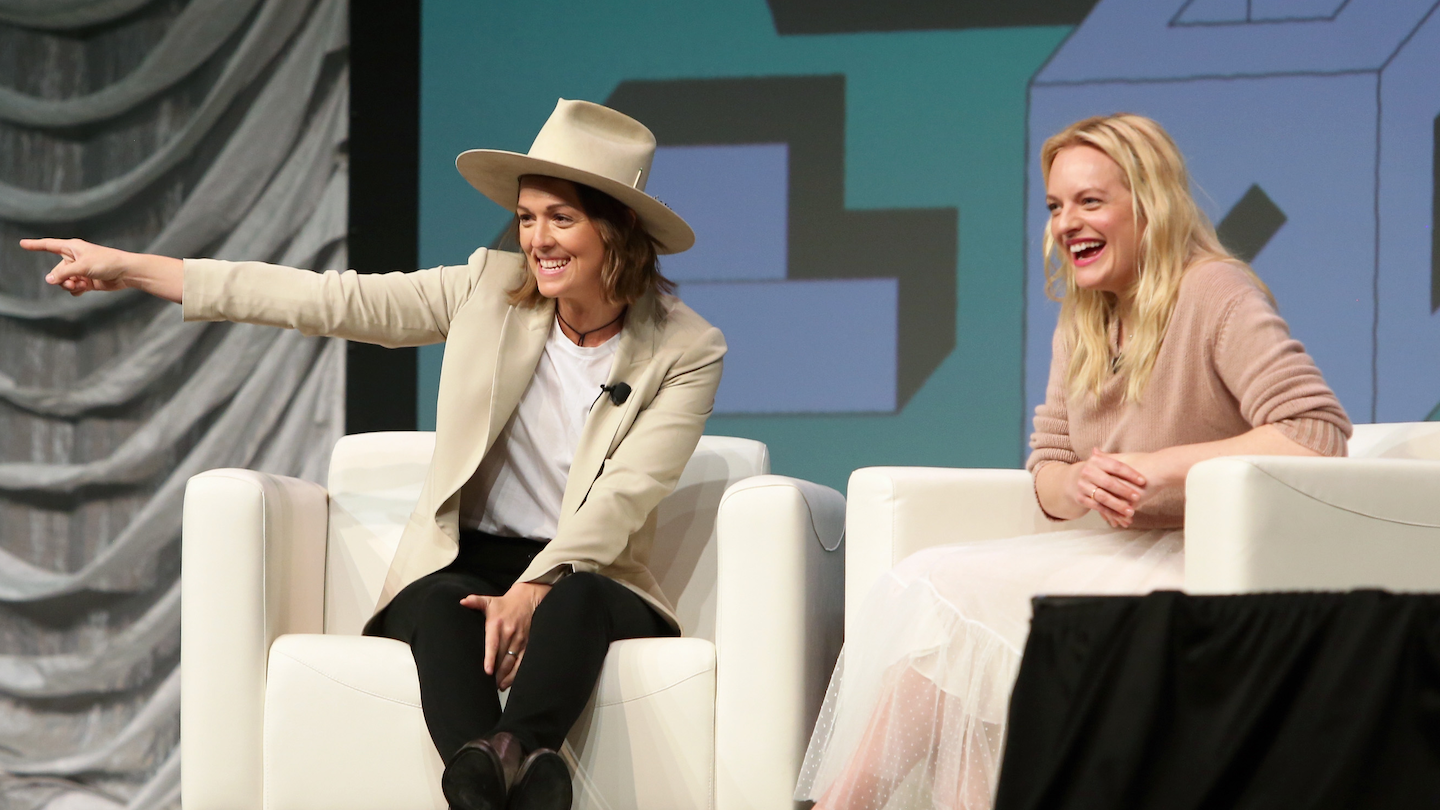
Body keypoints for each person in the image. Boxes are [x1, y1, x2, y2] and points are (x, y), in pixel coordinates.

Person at [23, 99, 724, 810]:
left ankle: (498, 759)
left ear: (618, 230)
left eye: (561, 218)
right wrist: (139, 269)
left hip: (589, 572)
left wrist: (535, 588)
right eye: (527, 217)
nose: (537, 239)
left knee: (575, 598)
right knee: (444, 604)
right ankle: (520, 766)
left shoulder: (687, 348)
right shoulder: (487, 289)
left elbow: (628, 491)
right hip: (469, 558)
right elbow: (329, 300)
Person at [794, 113, 1351, 810]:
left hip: (1200, 563)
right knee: (939, 606)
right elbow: (1049, 471)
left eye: (1090, 202)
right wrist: (1082, 482)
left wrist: (1162, 468)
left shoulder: (1215, 292)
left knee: (952, 602)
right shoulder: (1083, 315)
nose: (1066, 224)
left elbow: (1316, 431)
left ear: (1149, 206)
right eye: (1056, 206)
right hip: (1111, 550)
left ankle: (844, 804)